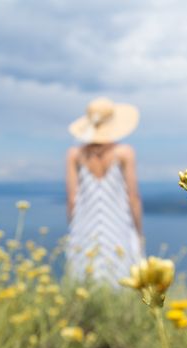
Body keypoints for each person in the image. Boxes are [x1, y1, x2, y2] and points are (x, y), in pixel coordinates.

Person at [65, 97, 145, 286]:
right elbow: (133, 197)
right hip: (118, 225)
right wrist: (138, 232)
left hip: (84, 226)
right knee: (122, 277)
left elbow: (71, 199)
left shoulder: (75, 154)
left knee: (84, 278)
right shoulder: (124, 152)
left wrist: (73, 227)